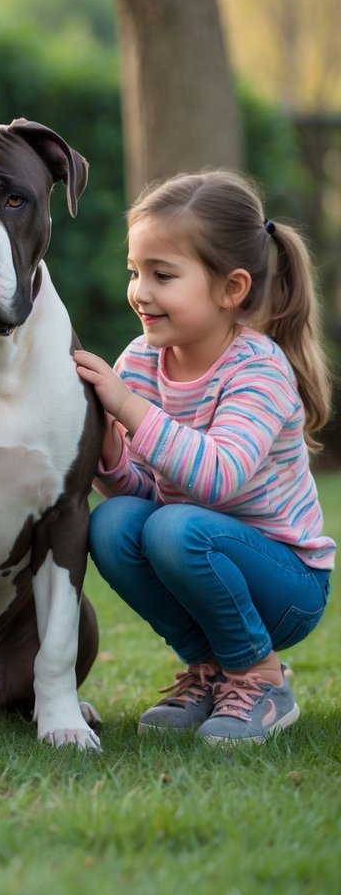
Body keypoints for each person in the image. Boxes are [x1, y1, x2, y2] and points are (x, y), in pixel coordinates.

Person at [74, 169, 335, 745]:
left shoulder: (258, 370)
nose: (140, 291)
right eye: (135, 272)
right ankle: (212, 671)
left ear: (231, 289)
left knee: (175, 528)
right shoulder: (141, 360)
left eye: (163, 275)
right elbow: (148, 492)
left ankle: (261, 678)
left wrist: (131, 412)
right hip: (196, 547)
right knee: (115, 524)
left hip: (287, 585)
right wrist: (112, 456)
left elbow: (216, 478)